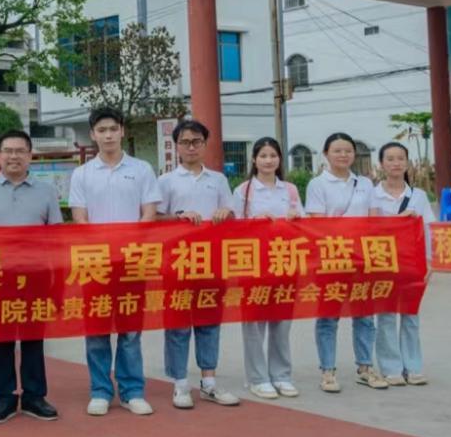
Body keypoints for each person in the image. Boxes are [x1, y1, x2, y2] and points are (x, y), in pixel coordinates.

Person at [69, 107, 161, 417]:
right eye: (101, 130)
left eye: (112, 129)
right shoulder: (82, 174)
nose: (108, 135)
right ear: (93, 135)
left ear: (122, 131)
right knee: (96, 330)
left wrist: (128, 247)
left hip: (132, 261)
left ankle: (132, 391)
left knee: (130, 331)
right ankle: (100, 390)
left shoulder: (142, 169)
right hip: (95, 263)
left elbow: (149, 213)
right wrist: (103, 250)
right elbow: (80, 218)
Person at [0, 129, 63, 424]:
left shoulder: (46, 192)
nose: (14, 156)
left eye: (20, 151)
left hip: (36, 275)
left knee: (33, 337)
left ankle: (34, 395)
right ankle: (4, 397)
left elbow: (56, 238)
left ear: (30, 155)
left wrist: (57, 282)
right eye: (8, 150)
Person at [156, 119, 239, 410]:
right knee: (178, 323)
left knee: (209, 321)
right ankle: (180, 383)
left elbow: (232, 214)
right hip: (178, 261)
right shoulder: (166, 181)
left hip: (211, 260)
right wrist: (178, 216)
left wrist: (225, 211)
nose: (191, 147)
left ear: (205, 145)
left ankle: (209, 382)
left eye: (197, 142)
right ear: (176, 146)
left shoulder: (218, 180)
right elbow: (155, 219)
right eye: (185, 142)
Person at [305, 132, 388, 393]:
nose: (343, 155)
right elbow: (317, 224)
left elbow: (373, 220)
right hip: (331, 259)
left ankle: (365, 367)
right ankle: (328, 371)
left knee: (364, 316)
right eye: (337, 151)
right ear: (326, 154)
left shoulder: (365, 183)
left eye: (348, 151)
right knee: (328, 317)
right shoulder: (317, 184)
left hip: (362, 259)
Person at [232, 137, 304, 400]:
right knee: (254, 323)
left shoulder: (290, 190)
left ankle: (281, 375)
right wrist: (255, 221)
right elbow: (234, 228)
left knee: (282, 323)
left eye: (273, 155)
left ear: (280, 159)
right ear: (254, 159)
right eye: (263, 155)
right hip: (253, 263)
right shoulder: (243, 191)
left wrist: (296, 219)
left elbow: (304, 225)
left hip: (284, 261)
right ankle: (257, 378)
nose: (268, 160)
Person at [370, 142, 434, 386]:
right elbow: (371, 229)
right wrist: (399, 220)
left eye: (400, 158)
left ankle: (413, 366)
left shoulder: (418, 196)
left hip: (412, 263)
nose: (396, 163)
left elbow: (427, 230)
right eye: (390, 159)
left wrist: (429, 261)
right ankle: (391, 368)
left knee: (410, 315)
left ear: (407, 163)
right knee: (386, 315)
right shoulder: (373, 194)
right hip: (383, 262)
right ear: (381, 164)